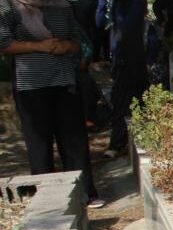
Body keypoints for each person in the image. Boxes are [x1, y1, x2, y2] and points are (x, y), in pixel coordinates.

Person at [0, 0, 104, 207]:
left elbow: (78, 41)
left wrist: (67, 45)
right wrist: (38, 46)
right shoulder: (8, 6)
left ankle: (85, 193)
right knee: (39, 143)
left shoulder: (62, 5)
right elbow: (4, 43)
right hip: (30, 84)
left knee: (74, 140)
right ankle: (48, 199)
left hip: (65, 80)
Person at [97, 0, 148, 158]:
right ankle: (119, 142)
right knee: (121, 100)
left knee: (130, 100)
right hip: (119, 58)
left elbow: (129, 28)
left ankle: (119, 143)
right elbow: (99, 22)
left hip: (132, 58)